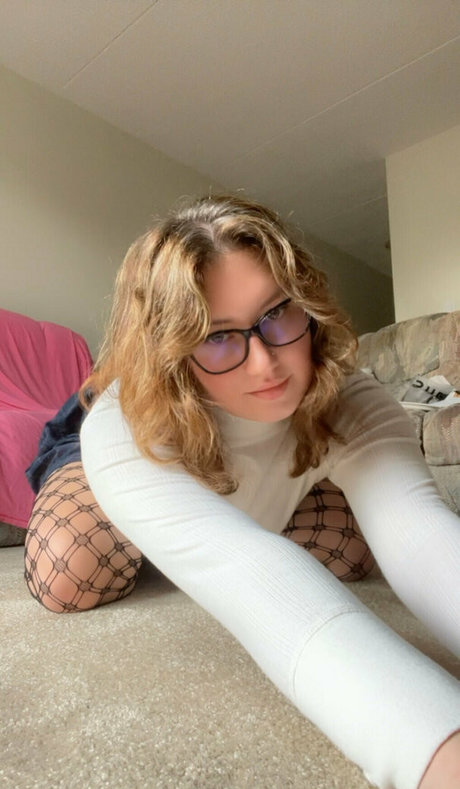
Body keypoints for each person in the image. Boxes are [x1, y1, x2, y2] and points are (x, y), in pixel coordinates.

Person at [24, 195, 460, 789]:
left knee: (352, 551)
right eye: (216, 337)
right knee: (71, 569)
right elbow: (252, 573)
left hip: (260, 470)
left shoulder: (350, 397)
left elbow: (419, 536)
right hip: (121, 434)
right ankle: (150, 521)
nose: (265, 363)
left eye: (277, 313)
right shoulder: (123, 421)